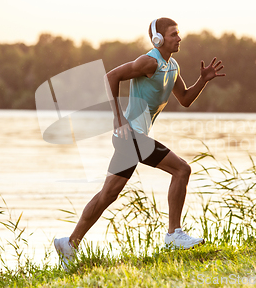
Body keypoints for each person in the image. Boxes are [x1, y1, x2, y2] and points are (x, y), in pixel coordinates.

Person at [54, 17, 225, 270]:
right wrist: (118, 119)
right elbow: (111, 77)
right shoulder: (149, 61)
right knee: (182, 169)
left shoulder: (172, 66)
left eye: (178, 33)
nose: (179, 38)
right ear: (158, 39)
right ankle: (174, 235)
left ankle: (69, 244)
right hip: (131, 136)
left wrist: (204, 80)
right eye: (173, 34)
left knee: (108, 195)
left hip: (132, 138)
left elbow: (186, 98)